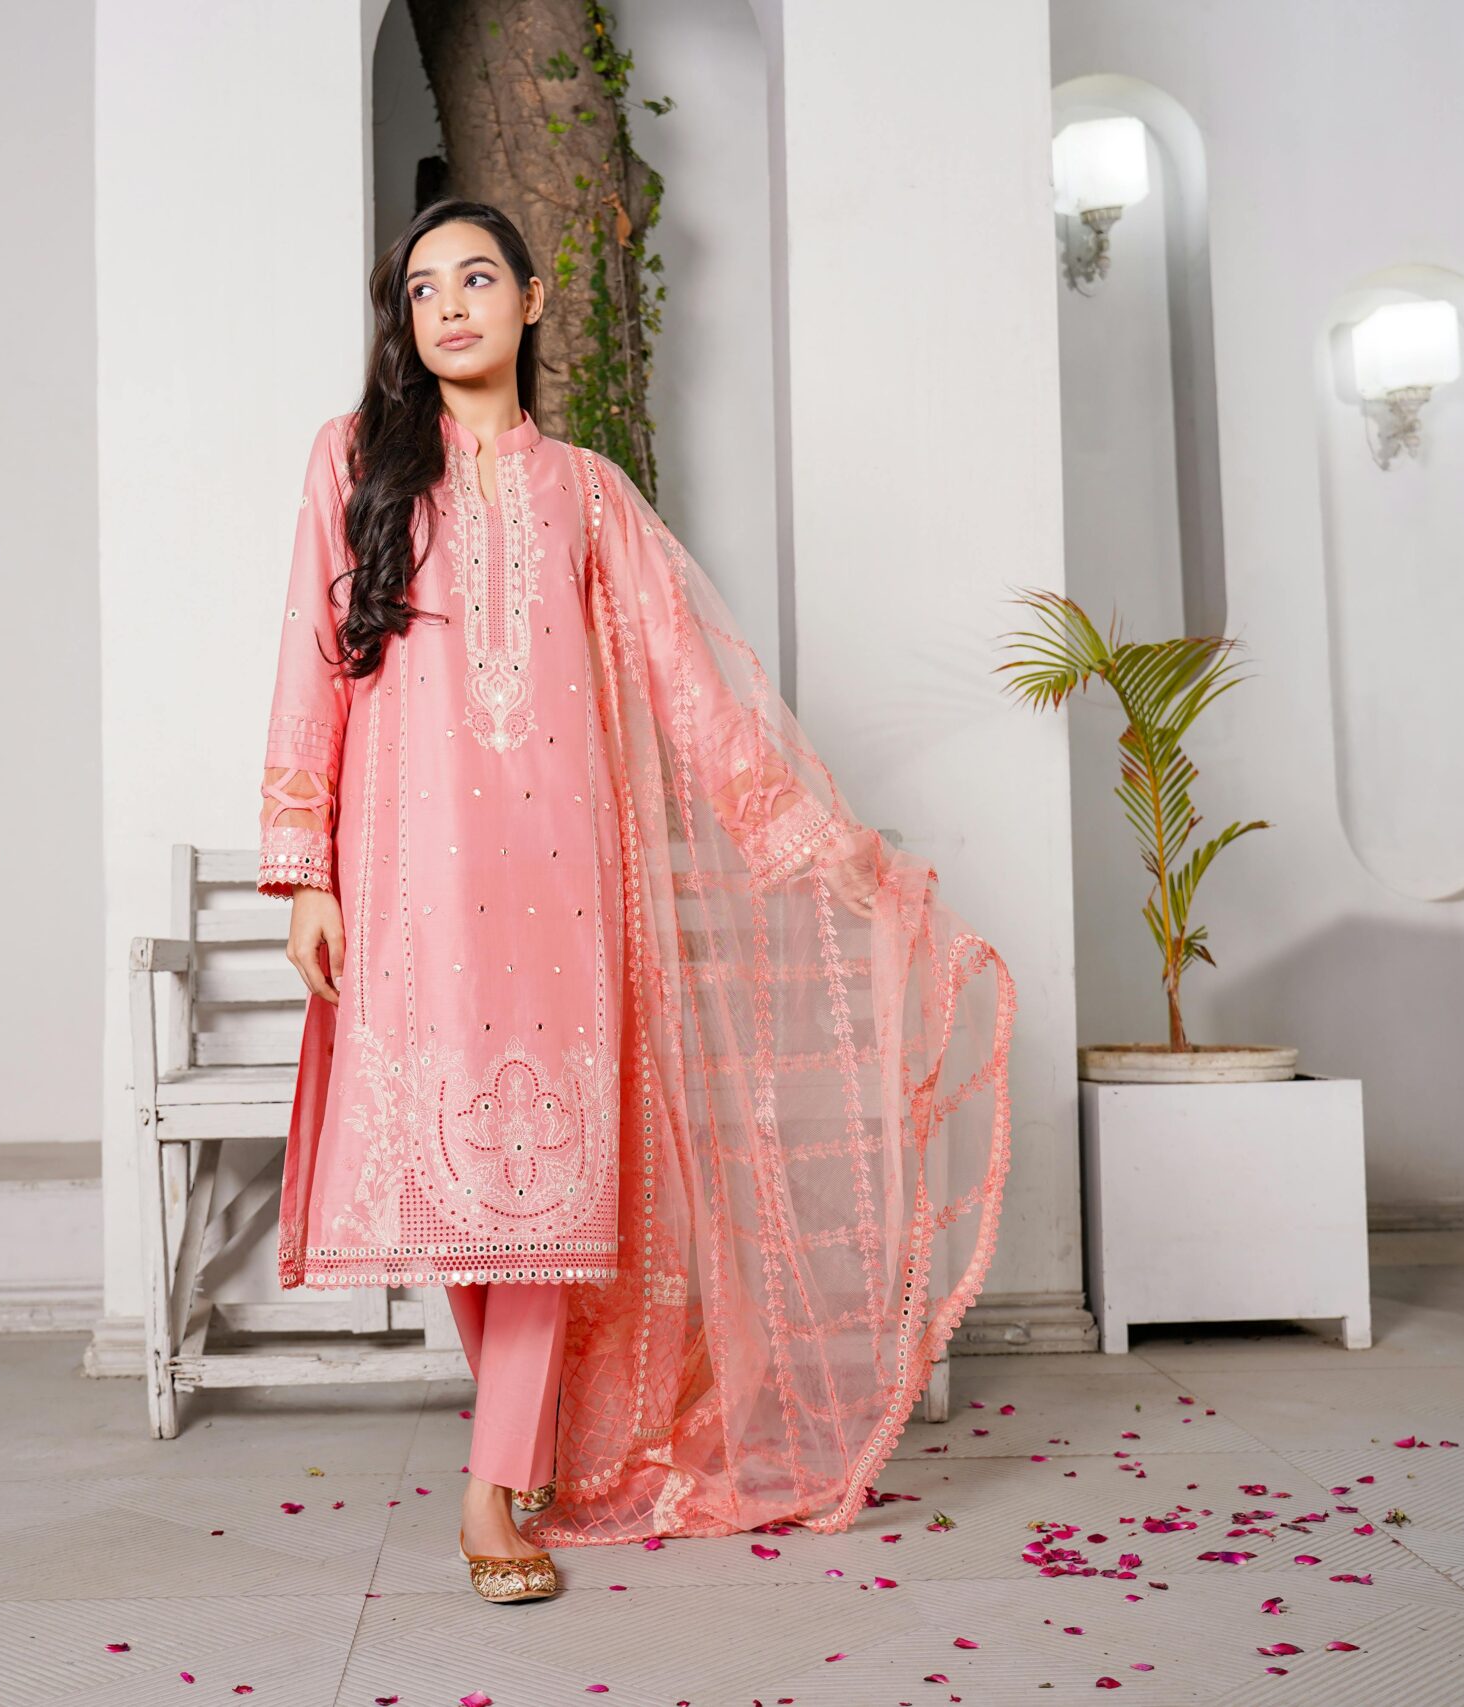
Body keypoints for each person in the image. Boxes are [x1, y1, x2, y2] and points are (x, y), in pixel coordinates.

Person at [257, 198, 1017, 1605]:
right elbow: (314, 669)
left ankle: (493, 1491)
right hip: (409, 880)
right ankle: (526, 1443)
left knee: (540, 1175)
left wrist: (814, 846)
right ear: (406, 326)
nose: (452, 309)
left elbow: (691, 694)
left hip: (556, 885)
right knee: (451, 1183)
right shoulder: (353, 464)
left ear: (534, 302)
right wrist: (304, 867)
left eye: (477, 278)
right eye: (424, 291)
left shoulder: (589, 493)